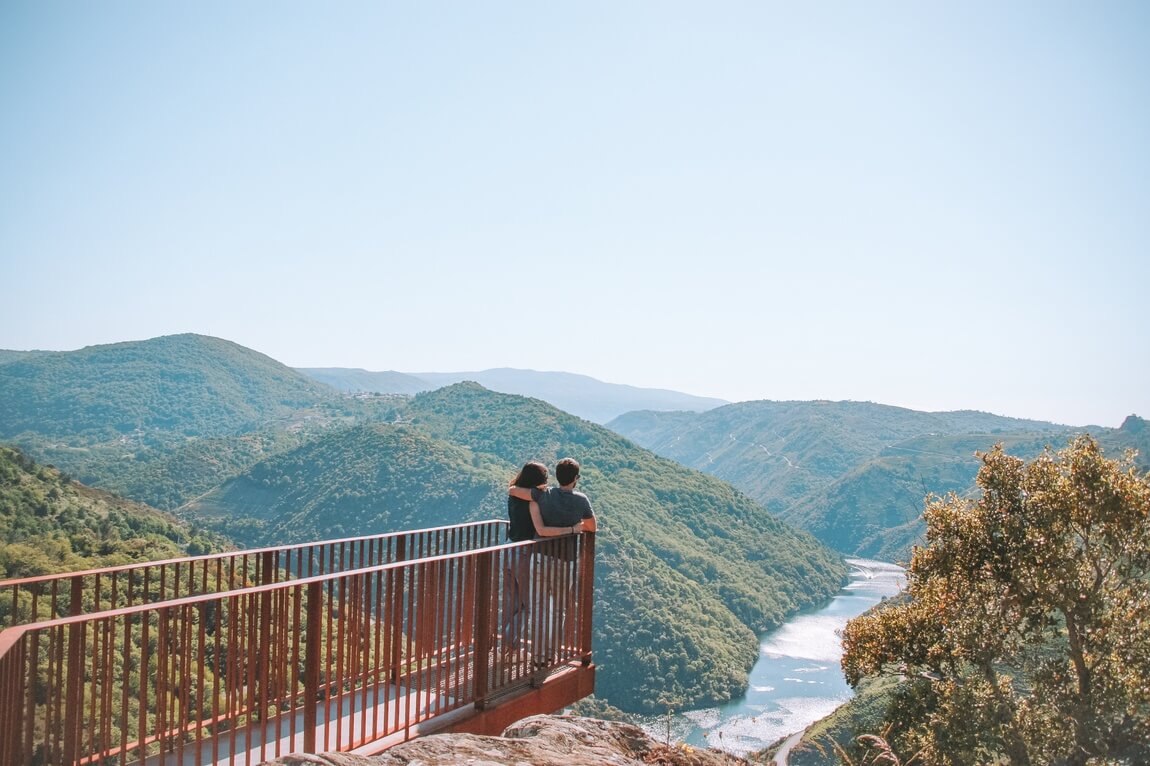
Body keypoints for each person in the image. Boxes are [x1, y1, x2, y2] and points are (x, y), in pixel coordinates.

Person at [507, 457, 596, 664]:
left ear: (556, 476)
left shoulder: (543, 495)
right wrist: (576, 526)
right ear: (576, 479)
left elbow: (513, 491)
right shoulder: (581, 500)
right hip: (565, 562)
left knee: (537, 608)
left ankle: (537, 656)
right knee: (558, 611)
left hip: (539, 558)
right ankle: (549, 655)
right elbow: (592, 527)